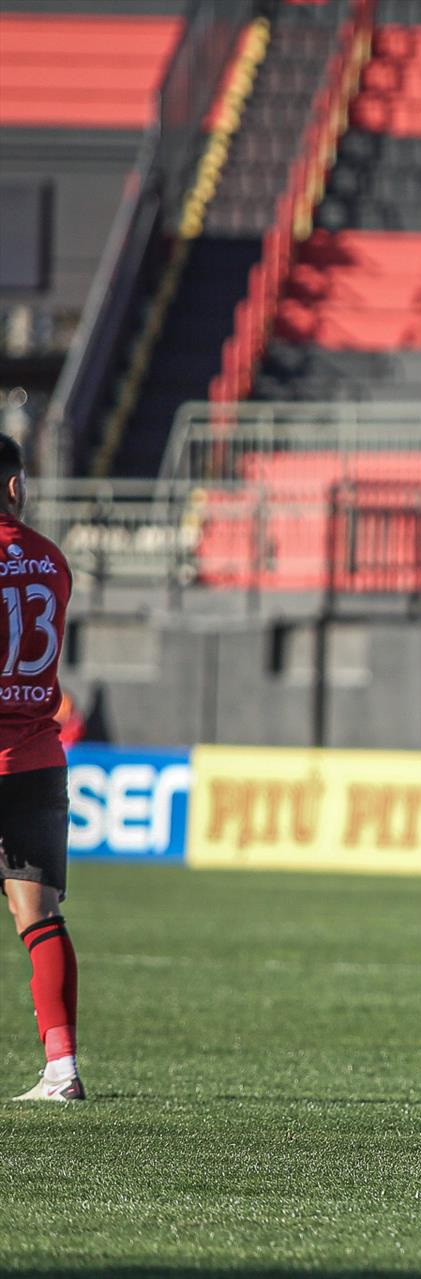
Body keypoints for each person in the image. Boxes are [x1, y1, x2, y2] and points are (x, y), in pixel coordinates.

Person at [0, 432, 82, 1102]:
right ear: (14, 486)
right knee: (40, 916)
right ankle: (62, 1068)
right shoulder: (53, 561)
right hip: (36, 758)